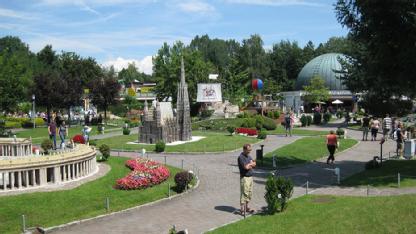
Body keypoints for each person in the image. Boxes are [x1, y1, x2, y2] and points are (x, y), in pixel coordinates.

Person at [237, 144, 256, 216]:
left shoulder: (249, 156)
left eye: (250, 150)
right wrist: (251, 164)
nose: (249, 152)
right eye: (248, 150)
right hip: (244, 178)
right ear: (244, 150)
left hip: (250, 177)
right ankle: (242, 209)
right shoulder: (241, 157)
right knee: (244, 193)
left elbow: (254, 164)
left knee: (250, 193)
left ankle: (247, 207)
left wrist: (251, 164)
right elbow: (246, 167)